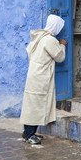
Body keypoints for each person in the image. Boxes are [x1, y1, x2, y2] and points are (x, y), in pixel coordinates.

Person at [20, 14, 68, 144]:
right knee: (35, 105)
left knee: (32, 104)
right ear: (56, 26)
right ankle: (30, 135)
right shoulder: (49, 40)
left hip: (34, 74)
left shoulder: (39, 37)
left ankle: (28, 132)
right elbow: (59, 57)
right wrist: (62, 45)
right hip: (40, 76)